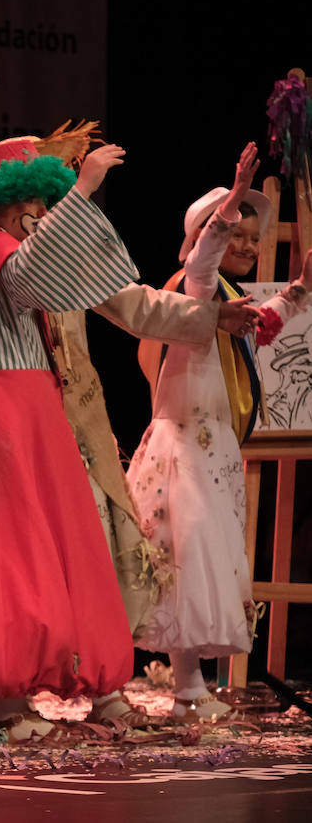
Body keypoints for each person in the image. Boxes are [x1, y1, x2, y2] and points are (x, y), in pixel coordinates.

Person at [0, 137, 139, 743]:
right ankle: (7, 695)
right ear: (9, 201)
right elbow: (31, 276)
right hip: (2, 411)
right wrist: (84, 190)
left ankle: (65, 681)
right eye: (36, 205)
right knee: (12, 546)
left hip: (31, 408)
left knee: (52, 540)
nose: (42, 216)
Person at [132, 143, 312, 722]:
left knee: (205, 558)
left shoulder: (228, 298)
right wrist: (231, 199)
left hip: (213, 448)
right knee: (188, 560)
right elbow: (205, 257)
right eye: (236, 231)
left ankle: (192, 687)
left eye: (252, 238)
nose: (246, 244)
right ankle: (188, 688)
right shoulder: (194, 286)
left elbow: (266, 325)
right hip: (184, 444)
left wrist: (302, 288)